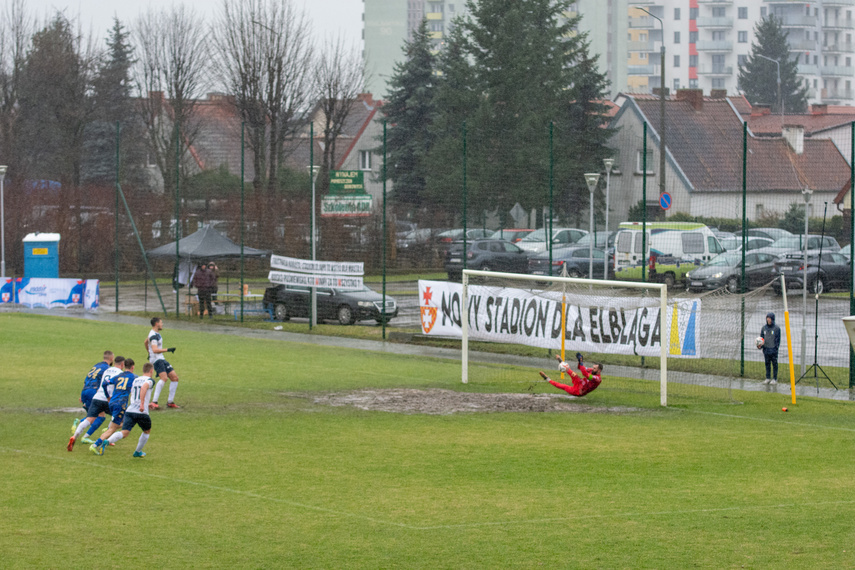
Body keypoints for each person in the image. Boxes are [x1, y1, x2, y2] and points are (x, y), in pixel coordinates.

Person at [68, 356, 124, 451]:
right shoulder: (121, 373)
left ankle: (74, 436)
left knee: (89, 419)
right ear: (122, 364)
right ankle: (107, 435)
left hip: (97, 397)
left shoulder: (107, 370)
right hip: (108, 400)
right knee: (121, 419)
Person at [100, 362, 155, 458]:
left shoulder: (135, 380)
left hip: (130, 411)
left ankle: (107, 441)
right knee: (147, 431)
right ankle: (138, 451)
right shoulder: (150, 380)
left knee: (124, 432)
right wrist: (142, 404)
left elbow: (133, 393)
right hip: (142, 412)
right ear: (151, 370)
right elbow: (144, 387)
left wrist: (146, 403)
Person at [90, 358, 136, 455]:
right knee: (115, 428)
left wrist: (108, 396)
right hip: (121, 404)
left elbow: (104, 383)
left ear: (124, 366)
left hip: (112, 402)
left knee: (125, 423)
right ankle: (95, 445)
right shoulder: (133, 377)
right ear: (132, 367)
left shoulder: (118, 376)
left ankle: (108, 431)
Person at [71, 350, 114, 444]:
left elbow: (86, 380)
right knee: (100, 416)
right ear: (111, 359)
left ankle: (79, 424)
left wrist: (82, 394)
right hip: (93, 392)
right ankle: (85, 435)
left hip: (85, 390)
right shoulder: (107, 369)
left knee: (92, 416)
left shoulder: (96, 366)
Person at [144, 317, 180, 409]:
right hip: (156, 359)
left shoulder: (155, 334)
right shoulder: (153, 336)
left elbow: (145, 341)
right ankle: (154, 402)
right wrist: (167, 350)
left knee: (174, 378)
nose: (162, 324)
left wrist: (148, 351)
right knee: (164, 378)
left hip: (160, 358)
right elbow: (155, 350)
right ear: (156, 324)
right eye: (161, 322)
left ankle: (170, 402)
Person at [760, 312, 781, 385]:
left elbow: (778, 340)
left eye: (769, 318)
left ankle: (775, 378)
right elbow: (761, 338)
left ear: (772, 319)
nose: (768, 319)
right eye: (767, 318)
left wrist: (776, 349)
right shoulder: (764, 328)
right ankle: (767, 378)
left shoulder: (776, 328)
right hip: (766, 349)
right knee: (767, 364)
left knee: (774, 364)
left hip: (773, 350)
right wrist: (761, 346)